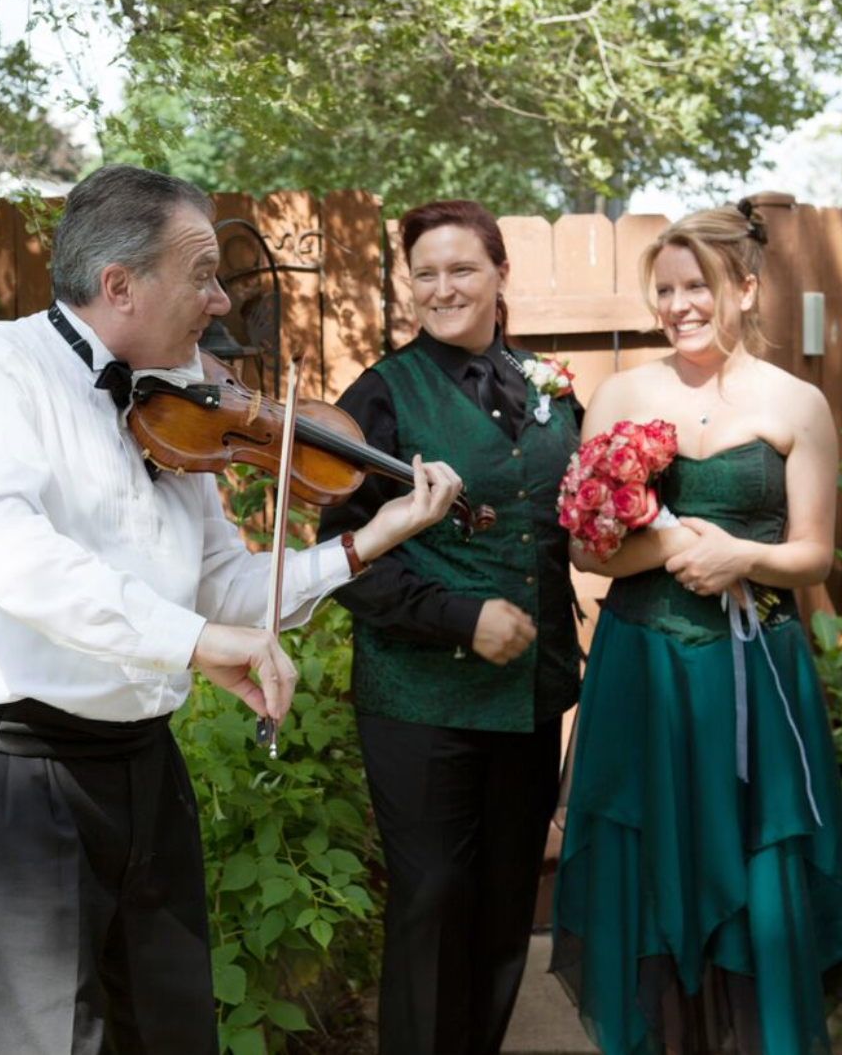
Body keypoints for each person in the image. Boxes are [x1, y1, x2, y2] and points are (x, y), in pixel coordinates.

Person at [0, 164, 465, 1055]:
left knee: (167, 1035)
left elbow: (221, 590)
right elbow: (9, 560)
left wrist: (367, 540)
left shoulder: (175, 405)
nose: (218, 303)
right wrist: (194, 640)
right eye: (202, 274)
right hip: (16, 776)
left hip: (142, 767)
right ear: (119, 285)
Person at [550, 201, 842, 1055]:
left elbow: (813, 558)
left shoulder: (798, 405)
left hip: (753, 675)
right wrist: (674, 543)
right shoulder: (621, 394)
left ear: (747, 288)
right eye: (666, 289)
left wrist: (741, 560)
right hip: (643, 670)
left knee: (757, 874)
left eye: (700, 286)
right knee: (647, 869)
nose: (682, 304)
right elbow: (588, 552)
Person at [316, 199, 582, 1055]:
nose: (442, 288)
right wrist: (459, 618)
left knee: (506, 908)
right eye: (424, 272)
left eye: (462, 269)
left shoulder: (549, 390)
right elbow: (343, 554)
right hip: (419, 703)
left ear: (502, 275)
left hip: (530, 700)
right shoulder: (382, 395)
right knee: (432, 900)